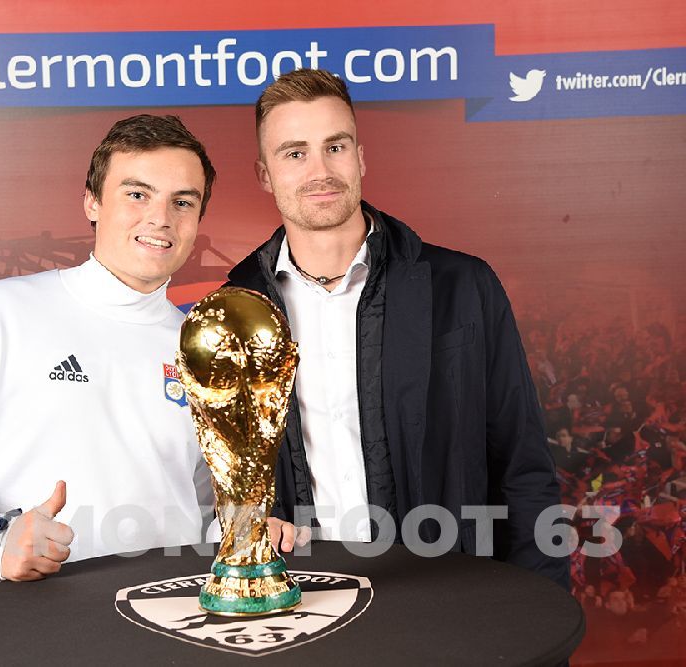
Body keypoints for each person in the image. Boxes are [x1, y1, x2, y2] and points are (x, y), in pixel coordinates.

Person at [226, 68, 569, 588]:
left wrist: (542, 616)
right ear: (265, 174)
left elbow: (523, 468)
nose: (319, 170)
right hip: (304, 606)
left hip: (443, 596)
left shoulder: (462, 286)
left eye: (335, 146)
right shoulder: (235, 309)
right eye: (294, 153)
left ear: (360, 157)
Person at [0, 115, 226, 604]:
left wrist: (246, 538)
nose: (161, 218)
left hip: (163, 623)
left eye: (183, 201)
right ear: (92, 201)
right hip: (23, 623)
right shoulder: (1, 308)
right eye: (136, 194)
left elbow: (202, 503)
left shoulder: (200, 347)